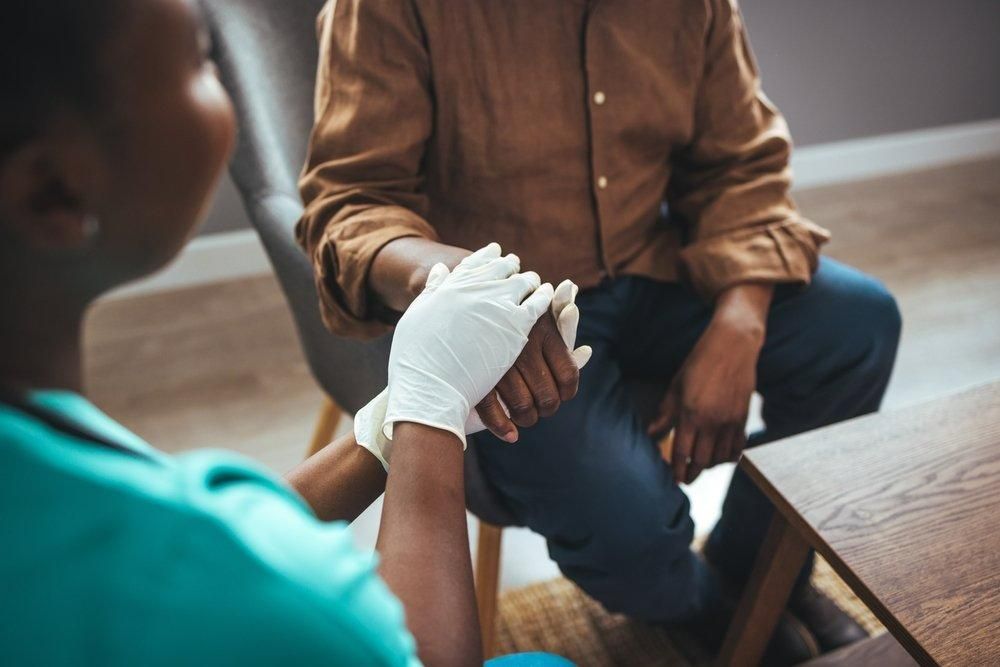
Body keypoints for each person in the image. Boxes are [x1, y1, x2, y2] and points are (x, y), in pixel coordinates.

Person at [297, 0, 903, 662]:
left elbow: (742, 165)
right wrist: (476, 290)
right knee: (631, 523)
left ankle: (758, 570)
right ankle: (704, 606)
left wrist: (740, 317)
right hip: (511, 322)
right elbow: (351, 209)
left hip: (658, 265)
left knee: (860, 324)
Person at [0, 1, 581, 665]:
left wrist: (391, 424)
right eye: (200, 59)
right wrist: (431, 413)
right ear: (53, 192)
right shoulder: (267, 595)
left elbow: (224, 540)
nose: (224, 84)